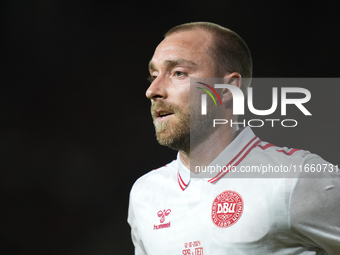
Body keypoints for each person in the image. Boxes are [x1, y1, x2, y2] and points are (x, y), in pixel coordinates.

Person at [128, 22, 340, 255]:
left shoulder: (296, 177)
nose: (153, 90)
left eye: (179, 73)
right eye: (154, 75)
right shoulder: (144, 194)